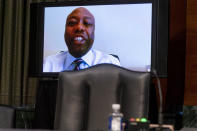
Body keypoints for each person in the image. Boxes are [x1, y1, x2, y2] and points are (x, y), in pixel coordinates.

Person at [43, 7, 120, 72]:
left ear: (94, 32)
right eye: (72, 23)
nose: (79, 28)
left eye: (87, 23)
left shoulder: (111, 63)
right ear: (64, 31)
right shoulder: (48, 64)